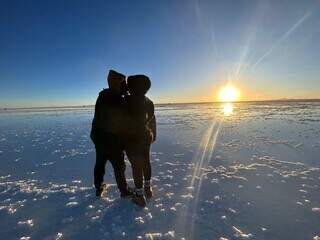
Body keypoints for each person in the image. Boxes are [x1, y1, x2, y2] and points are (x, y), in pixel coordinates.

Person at [90, 70, 133, 197]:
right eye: (123, 82)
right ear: (117, 83)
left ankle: (98, 188)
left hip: (99, 138)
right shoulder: (118, 99)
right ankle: (124, 191)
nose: (124, 85)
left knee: (100, 163)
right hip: (113, 140)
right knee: (119, 166)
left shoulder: (102, 95)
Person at [124, 75, 156, 207]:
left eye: (129, 84)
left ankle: (139, 195)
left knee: (137, 166)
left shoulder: (127, 100)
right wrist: (153, 134)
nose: (127, 86)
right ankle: (148, 188)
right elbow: (151, 118)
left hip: (132, 138)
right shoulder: (148, 101)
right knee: (146, 162)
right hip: (146, 135)